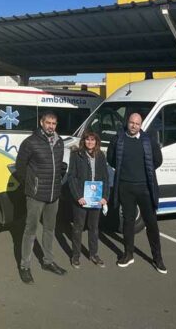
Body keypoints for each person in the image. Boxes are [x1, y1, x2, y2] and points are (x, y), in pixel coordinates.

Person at [107, 112, 167, 274]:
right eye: (132, 122)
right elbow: (111, 159)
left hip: (145, 188)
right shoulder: (118, 139)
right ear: (127, 122)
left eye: (137, 123)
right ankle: (128, 255)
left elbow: (157, 160)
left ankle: (157, 258)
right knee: (128, 222)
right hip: (125, 187)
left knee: (151, 223)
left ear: (141, 125)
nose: (134, 126)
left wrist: (142, 173)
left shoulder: (148, 140)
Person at [14, 111, 67, 284]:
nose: (51, 126)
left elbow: (58, 166)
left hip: (54, 194)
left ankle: (48, 262)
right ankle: (25, 266)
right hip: (36, 194)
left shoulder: (59, 143)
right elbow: (20, 167)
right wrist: (31, 185)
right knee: (30, 231)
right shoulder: (30, 142)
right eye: (48, 122)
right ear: (41, 122)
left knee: (49, 229)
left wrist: (59, 178)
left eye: (54, 123)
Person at [67, 130, 109, 269]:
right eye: (87, 139)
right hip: (82, 198)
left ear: (96, 141)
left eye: (92, 140)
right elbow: (71, 177)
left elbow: (105, 177)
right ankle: (76, 256)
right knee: (78, 228)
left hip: (96, 199)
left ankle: (93, 254)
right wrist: (78, 196)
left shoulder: (101, 156)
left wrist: (104, 197)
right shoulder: (76, 154)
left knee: (94, 228)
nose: (90, 142)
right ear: (83, 141)